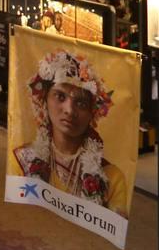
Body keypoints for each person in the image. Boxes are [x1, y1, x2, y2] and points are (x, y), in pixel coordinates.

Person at [11, 48, 128, 216]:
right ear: (44, 101)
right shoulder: (21, 160)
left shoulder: (112, 178)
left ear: (92, 114)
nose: (69, 110)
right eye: (60, 97)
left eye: (80, 103)